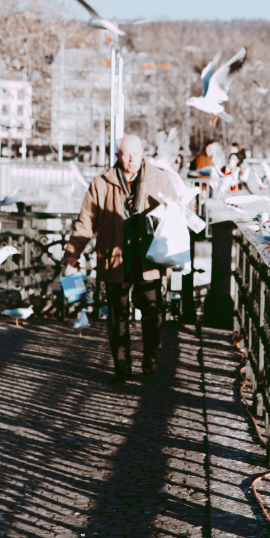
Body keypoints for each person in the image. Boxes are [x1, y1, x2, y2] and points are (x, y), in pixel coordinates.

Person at [65, 133, 179, 384]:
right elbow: (85, 223)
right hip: (113, 259)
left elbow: (176, 216)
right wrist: (72, 256)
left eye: (135, 154)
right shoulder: (101, 183)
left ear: (142, 153)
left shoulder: (159, 179)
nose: (131, 160)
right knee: (117, 316)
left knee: (152, 313)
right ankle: (122, 368)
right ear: (117, 156)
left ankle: (150, 361)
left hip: (149, 259)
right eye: (125, 155)